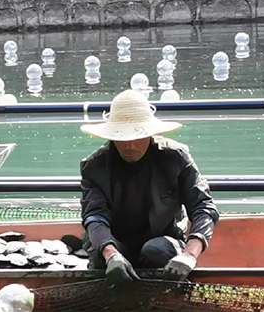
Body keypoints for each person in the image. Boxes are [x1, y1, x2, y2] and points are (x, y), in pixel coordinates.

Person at [78, 90, 219, 286]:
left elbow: (203, 207)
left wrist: (189, 254)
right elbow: (94, 216)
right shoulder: (94, 166)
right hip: (113, 243)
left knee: (156, 250)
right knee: (102, 257)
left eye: (138, 137)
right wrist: (110, 254)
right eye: (123, 138)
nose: (130, 146)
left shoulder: (175, 157)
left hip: (164, 241)